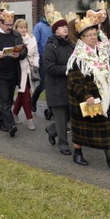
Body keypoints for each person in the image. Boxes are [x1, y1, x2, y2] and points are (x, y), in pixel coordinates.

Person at [67, 11, 110, 168]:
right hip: (84, 96)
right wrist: (86, 96)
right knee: (81, 127)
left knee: (104, 124)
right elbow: (75, 80)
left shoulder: (101, 50)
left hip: (101, 95)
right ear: (82, 38)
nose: (92, 37)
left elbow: (106, 70)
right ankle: (77, 153)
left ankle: (109, 155)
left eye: (94, 34)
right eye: (88, 35)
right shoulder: (78, 56)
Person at [0, 9, 28, 137]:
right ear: (1, 22)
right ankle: (11, 125)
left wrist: (18, 54)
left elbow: (24, 51)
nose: (10, 27)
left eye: (11, 25)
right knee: (4, 100)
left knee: (8, 101)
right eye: (7, 25)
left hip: (13, 73)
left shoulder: (16, 35)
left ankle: (1, 122)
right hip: (0, 74)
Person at [43, 12, 76, 155]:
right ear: (55, 30)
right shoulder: (51, 46)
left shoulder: (70, 45)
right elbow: (49, 67)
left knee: (67, 116)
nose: (65, 28)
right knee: (61, 117)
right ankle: (63, 144)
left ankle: (52, 130)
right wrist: (68, 70)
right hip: (56, 87)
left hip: (69, 86)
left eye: (65, 26)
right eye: (61, 27)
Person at [12, 18, 39, 131]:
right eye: (20, 27)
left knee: (22, 94)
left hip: (30, 70)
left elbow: (36, 53)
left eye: (25, 27)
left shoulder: (32, 38)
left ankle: (14, 112)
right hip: (20, 71)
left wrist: (36, 64)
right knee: (26, 95)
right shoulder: (14, 39)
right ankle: (30, 119)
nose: (23, 30)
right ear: (16, 29)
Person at [31, 3, 56, 112]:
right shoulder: (39, 26)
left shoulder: (55, 26)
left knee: (52, 85)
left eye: (52, 12)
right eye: (49, 13)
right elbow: (35, 43)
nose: (51, 15)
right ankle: (34, 100)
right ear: (45, 14)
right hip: (42, 60)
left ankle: (51, 108)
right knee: (44, 84)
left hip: (54, 60)